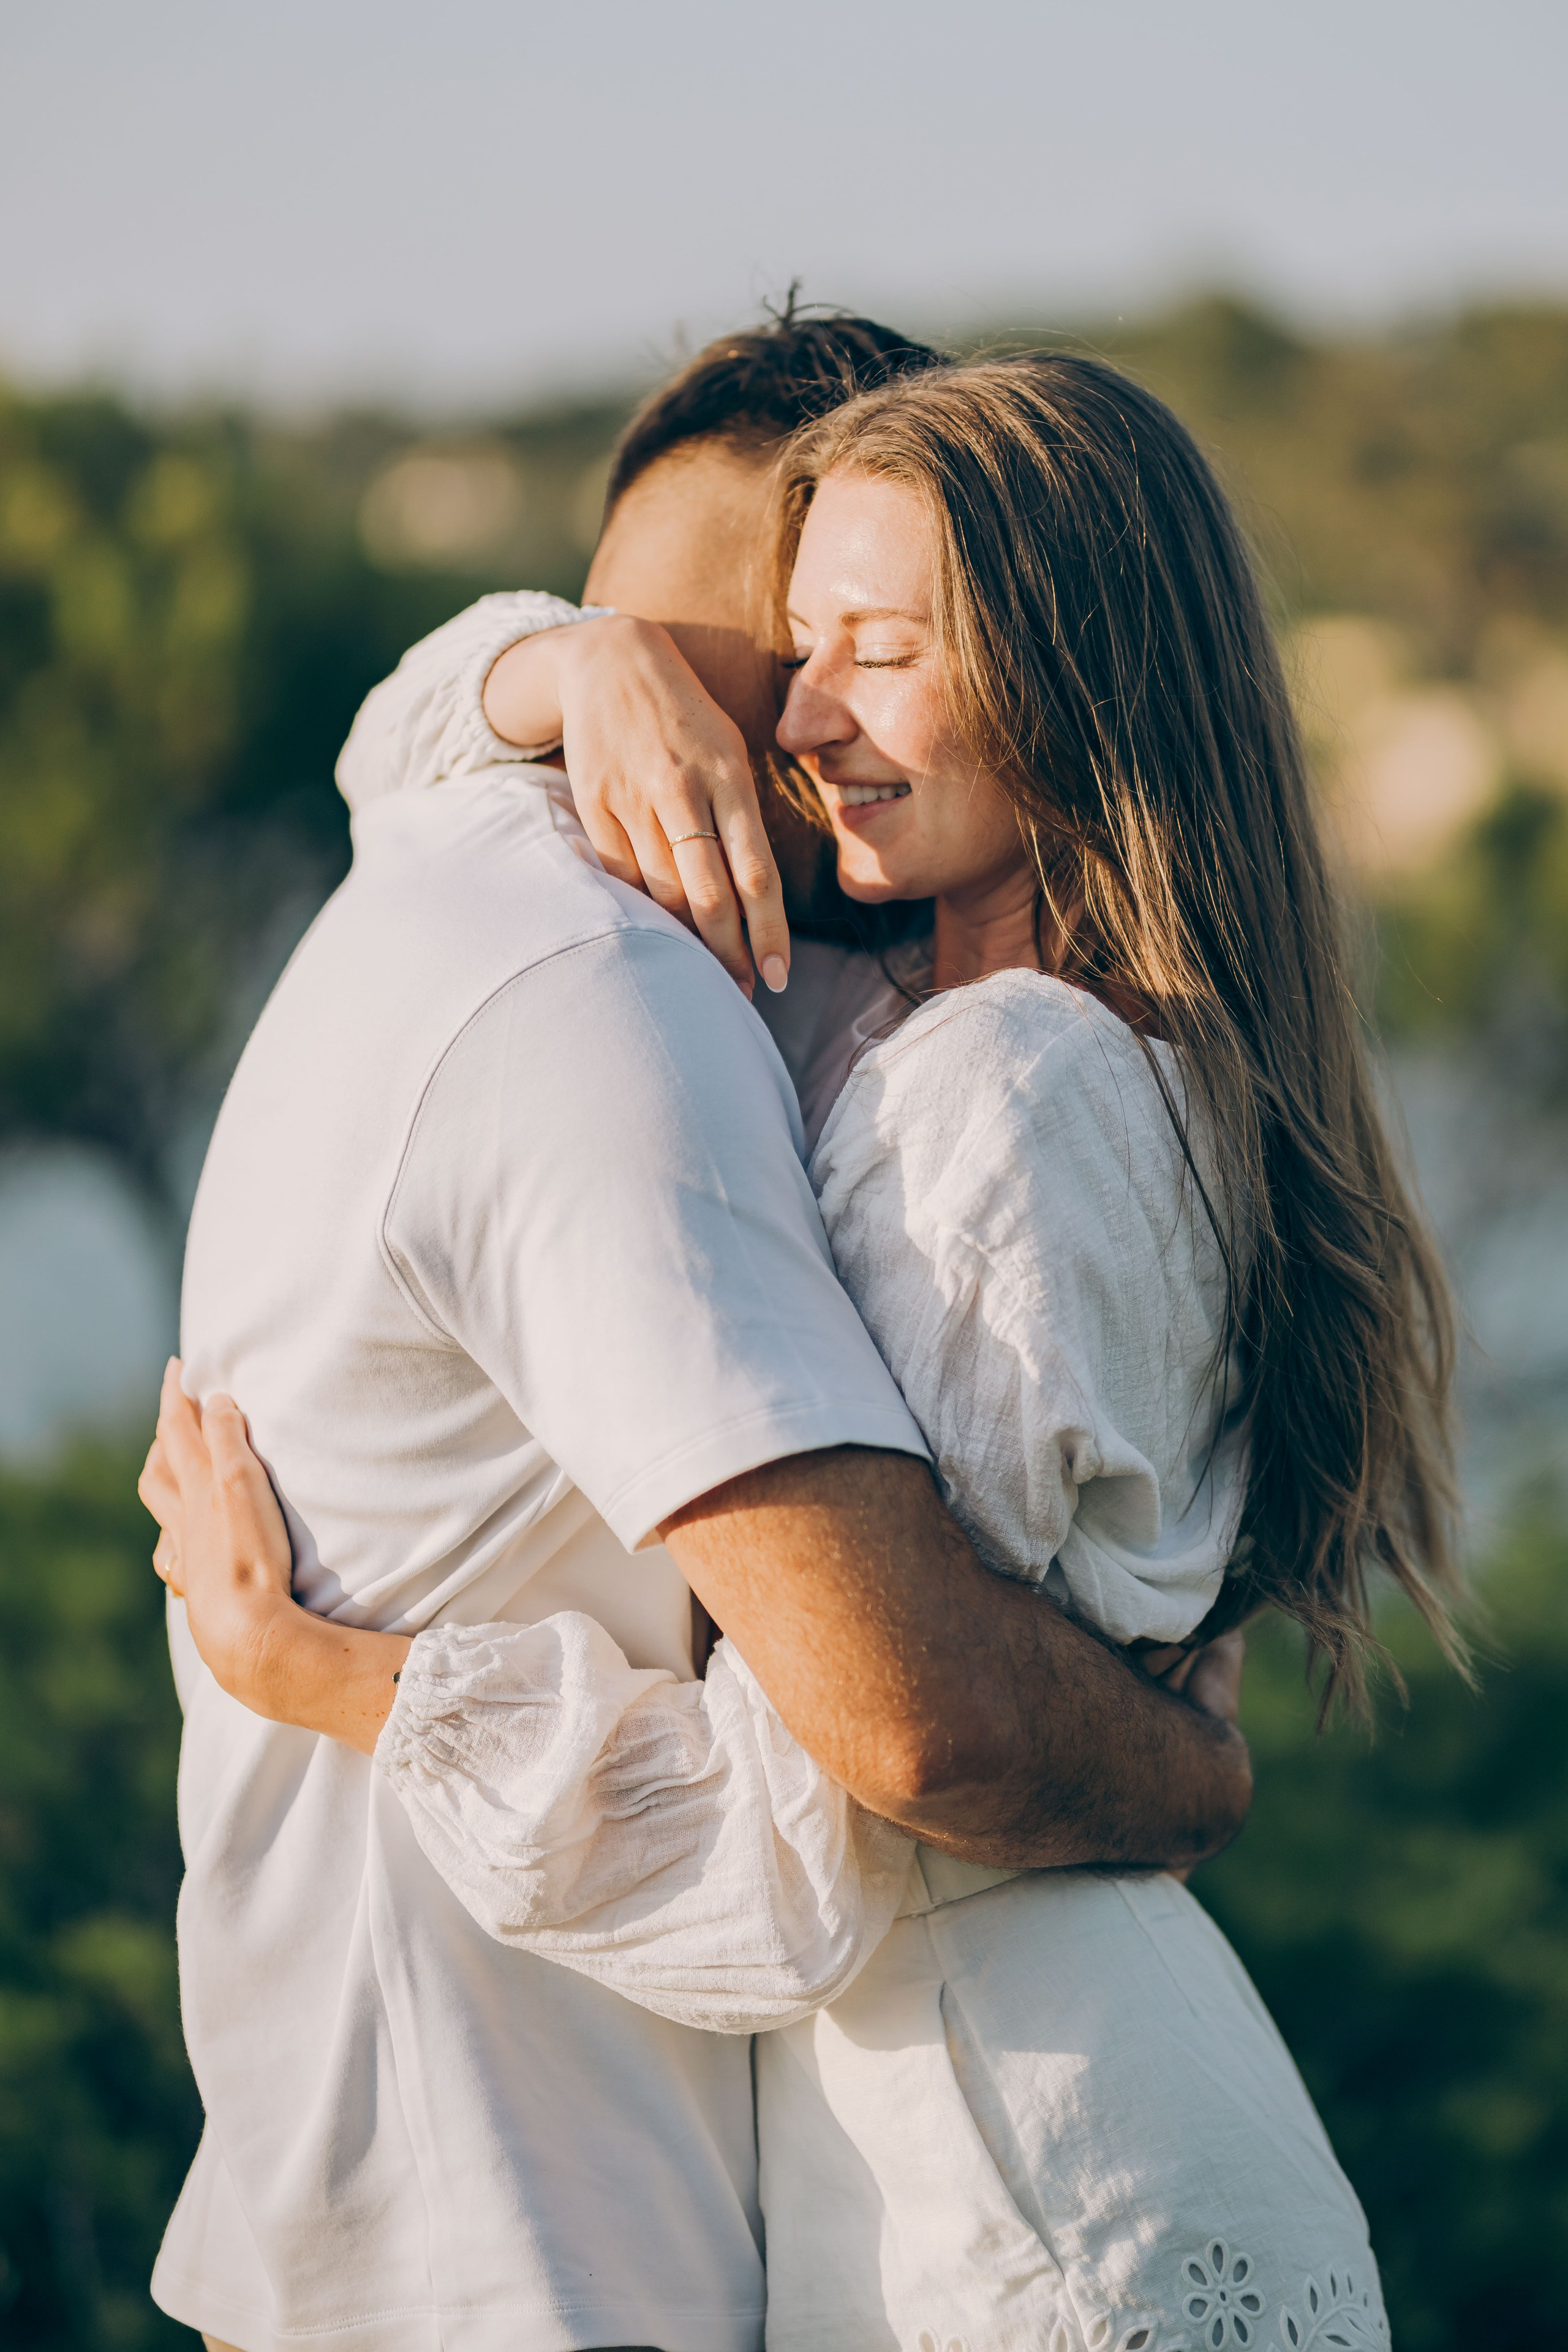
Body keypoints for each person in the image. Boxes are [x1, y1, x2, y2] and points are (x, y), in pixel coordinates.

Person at [147, 350, 1463, 2351]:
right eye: (773, 660)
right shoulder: (981, 1028)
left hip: (1024, 2180)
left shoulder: (988, 1097)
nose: (788, 719)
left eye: (864, 649)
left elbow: (849, 1803)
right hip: (1001, 2107)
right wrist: (559, 669)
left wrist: (322, 1673)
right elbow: (404, 753)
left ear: (1056, 675)